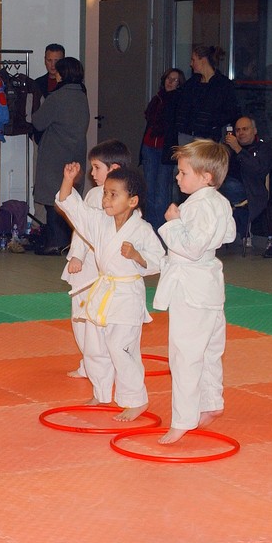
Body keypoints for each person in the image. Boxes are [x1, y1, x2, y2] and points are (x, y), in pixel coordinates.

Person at [56, 162, 164, 423]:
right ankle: (101, 392)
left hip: (126, 294)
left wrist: (137, 255)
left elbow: (159, 261)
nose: (106, 198)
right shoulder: (100, 222)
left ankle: (136, 400)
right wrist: (68, 180)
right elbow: (74, 208)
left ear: (132, 200)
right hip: (102, 290)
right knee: (94, 345)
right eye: (105, 192)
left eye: (113, 194)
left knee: (120, 348)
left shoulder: (142, 230)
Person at [151, 139, 236, 443]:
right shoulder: (219, 202)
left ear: (206, 177)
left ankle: (183, 419)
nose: (177, 177)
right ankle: (211, 403)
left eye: (183, 173)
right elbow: (227, 234)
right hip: (209, 287)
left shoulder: (200, 205)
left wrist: (174, 223)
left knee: (185, 355)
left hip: (191, 289)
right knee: (209, 351)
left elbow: (191, 247)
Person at [63, 140, 131, 379]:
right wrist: (77, 256)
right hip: (92, 266)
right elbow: (83, 227)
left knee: (94, 321)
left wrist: (78, 257)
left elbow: (86, 230)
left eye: (96, 168)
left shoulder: (119, 197)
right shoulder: (95, 194)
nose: (92, 174)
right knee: (86, 320)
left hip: (101, 268)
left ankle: (100, 365)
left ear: (113, 169)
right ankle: (90, 364)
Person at [32, 56, 90, 255]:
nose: (54, 75)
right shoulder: (82, 95)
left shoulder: (57, 97)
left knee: (53, 199)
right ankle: (68, 242)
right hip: (76, 152)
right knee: (70, 199)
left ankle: (56, 243)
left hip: (55, 154)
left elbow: (38, 122)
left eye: (57, 72)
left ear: (63, 74)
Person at [220, 116, 272, 252]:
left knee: (226, 185)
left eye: (245, 129)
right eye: (238, 130)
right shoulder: (230, 148)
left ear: (254, 131)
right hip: (229, 188)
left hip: (252, 190)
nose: (241, 133)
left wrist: (238, 149)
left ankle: (240, 230)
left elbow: (259, 170)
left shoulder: (263, 148)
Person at [140, 67, 185, 218]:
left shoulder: (178, 101)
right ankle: (149, 228)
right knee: (149, 191)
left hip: (165, 150)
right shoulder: (157, 98)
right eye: (168, 78)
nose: (170, 82)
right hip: (149, 146)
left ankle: (160, 231)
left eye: (175, 80)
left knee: (161, 193)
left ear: (179, 84)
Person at [175, 44, 239, 147]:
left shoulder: (223, 85)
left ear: (203, 60)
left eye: (193, 60)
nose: (191, 64)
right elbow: (181, 106)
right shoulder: (191, 84)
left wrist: (211, 123)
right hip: (186, 135)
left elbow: (231, 111)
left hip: (207, 136)